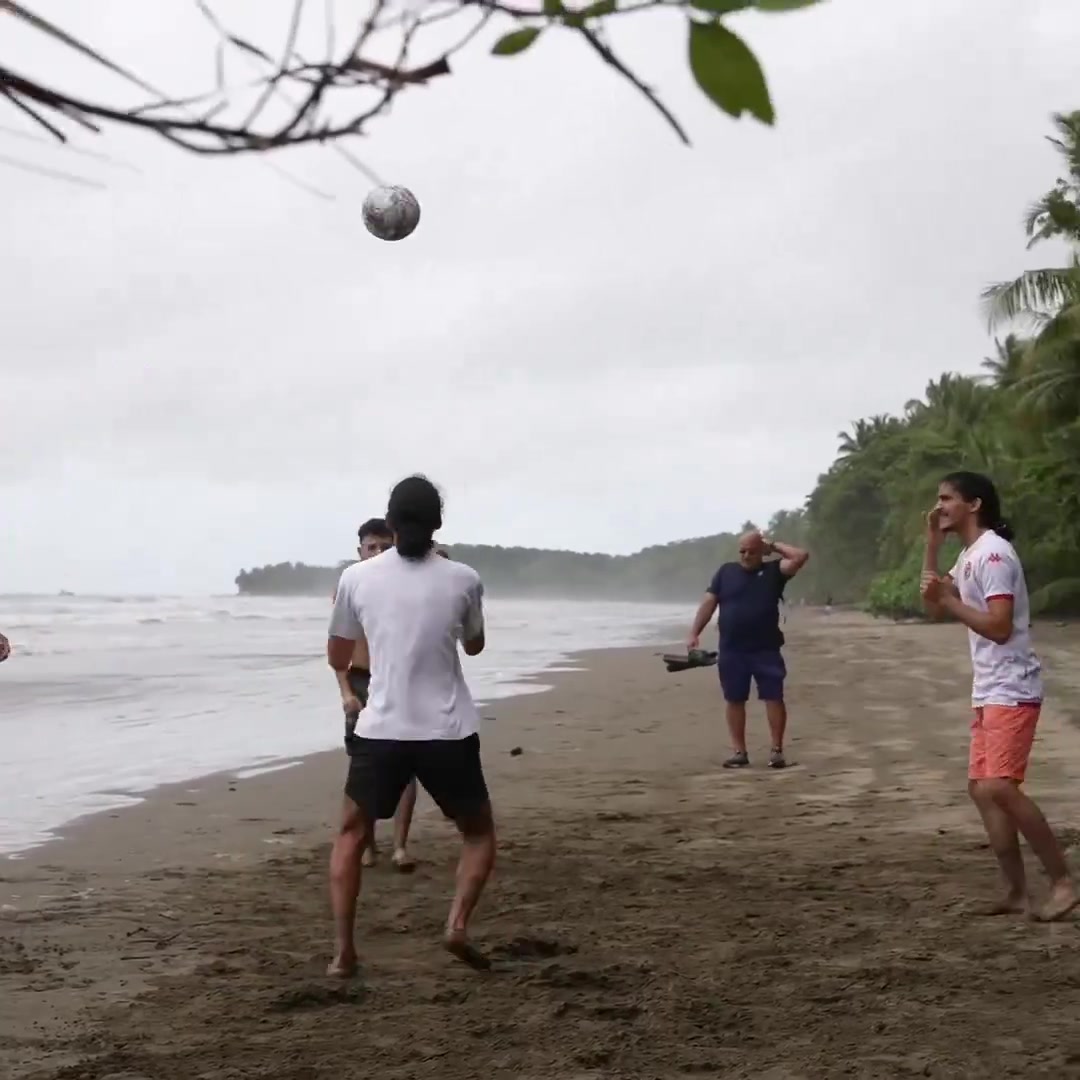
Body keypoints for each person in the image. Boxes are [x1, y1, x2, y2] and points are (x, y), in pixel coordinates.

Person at [326, 476, 495, 975]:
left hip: (381, 728)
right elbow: (475, 646)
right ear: (437, 524)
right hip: (447, 730)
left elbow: (337, 654)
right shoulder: (463, 578)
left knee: (351, 834)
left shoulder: (356, 578)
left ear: (391, 522)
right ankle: (457, 925)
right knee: (478, 833)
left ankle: (343, 952)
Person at [921, 470, 1077, 922]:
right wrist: (931, 545)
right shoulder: (970, 555)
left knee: (999, 786)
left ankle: (1064, 882)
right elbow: (933, 606)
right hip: (990, 686)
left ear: (974, 505)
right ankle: (1015, 891)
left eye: (946, 498)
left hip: (1013, 685)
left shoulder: (992, 555)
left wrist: (950, 601)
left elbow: (1000, 626)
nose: (939, 505)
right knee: (981, 789)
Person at [334, 517, 418, 871]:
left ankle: (400, 845)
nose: (379, 553)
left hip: (399, 680)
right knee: (363, 766)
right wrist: (345, 692)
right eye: (372, 547)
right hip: (362, 680)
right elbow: (338, 648)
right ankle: (367, 843)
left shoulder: (408, 585)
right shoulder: (350, 586)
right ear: (360, 551)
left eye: (386, 546)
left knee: (408, 763)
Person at [687, 530, 810, 769]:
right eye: (742, 551)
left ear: (761, 551)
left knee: (773, 697)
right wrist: (694, 632)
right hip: (732, 649)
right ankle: (739, 752)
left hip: (766, 648)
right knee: (734, 699)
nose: (746, 555)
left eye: (752, 551)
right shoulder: (726, 572)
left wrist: (772, 545)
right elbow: (709, 603)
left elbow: (800, 556)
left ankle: (776, 751)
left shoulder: (774, 571)